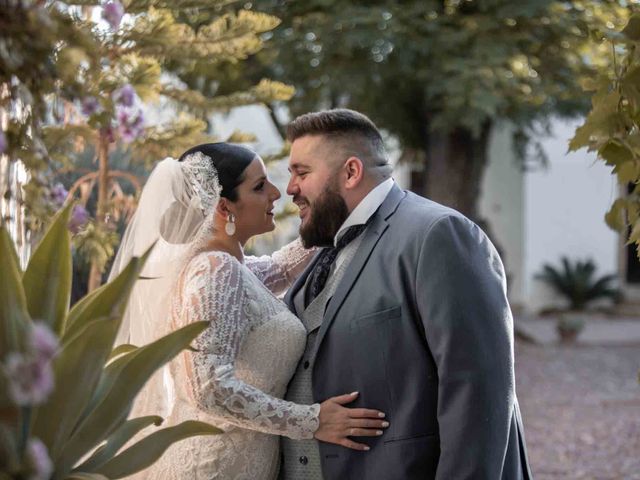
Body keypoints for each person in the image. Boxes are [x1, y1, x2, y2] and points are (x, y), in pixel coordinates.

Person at [109, 142, 388, 479]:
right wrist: (312, 421)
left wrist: (336, 205)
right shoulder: (214, 271)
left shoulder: (231, 269)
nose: (276, 193)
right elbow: (209, 388)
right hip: (212, 468)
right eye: (259, 187)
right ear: (225, 207)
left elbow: (283, 268)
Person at [281, 109, 533, 479]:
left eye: (301, 173)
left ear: (351, 172)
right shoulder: (320, 253)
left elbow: (478, 394)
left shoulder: (438, 234)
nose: (290, 188)